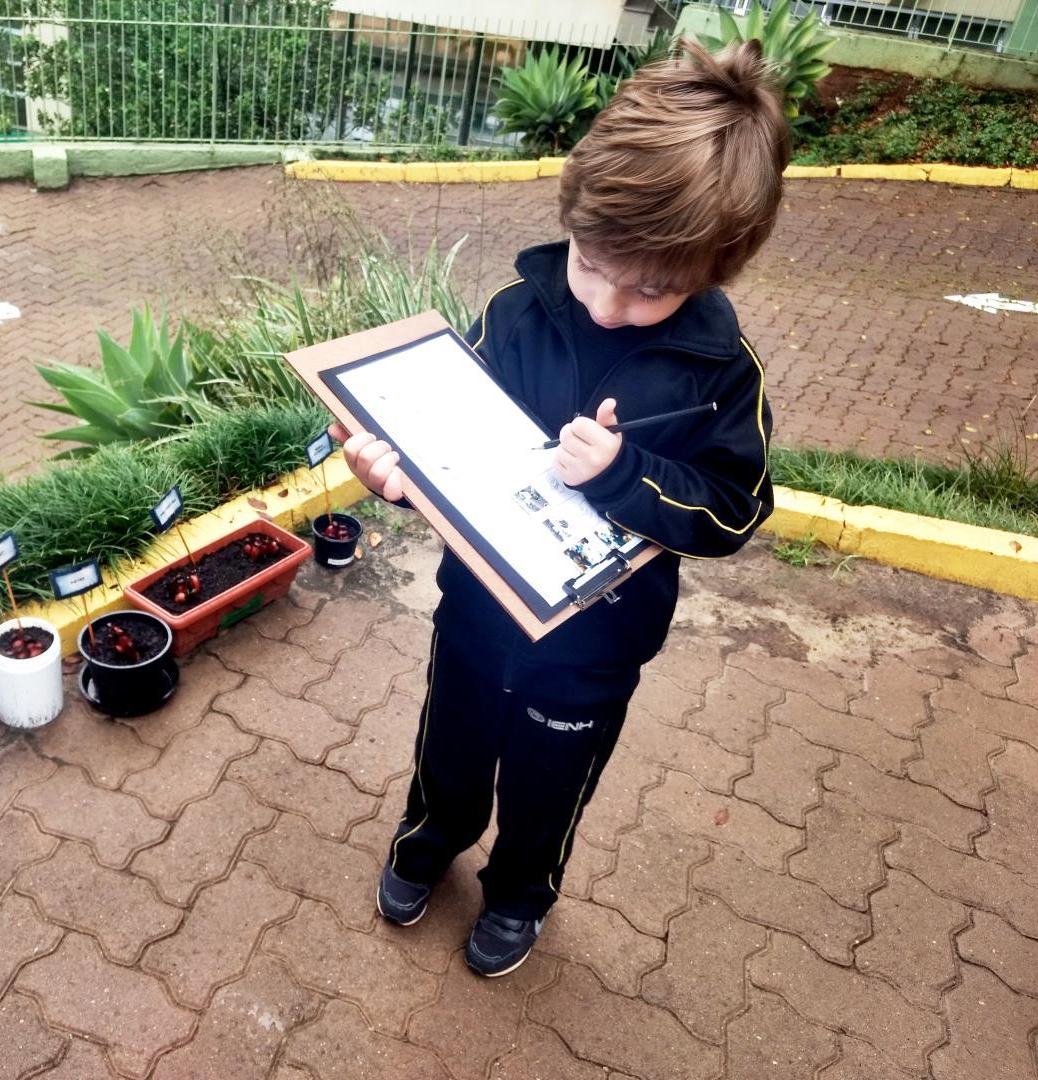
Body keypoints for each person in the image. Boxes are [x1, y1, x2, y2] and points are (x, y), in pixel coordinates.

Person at [330, 37, 787, 977]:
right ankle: (425, 844)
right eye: (589, 263)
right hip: (479, 611)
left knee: (550, 785)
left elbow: (734, 511)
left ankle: (519, 894)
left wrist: (623, 474)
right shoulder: (515, 311)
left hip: (596, 646)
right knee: (447, 749)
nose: (611, 303)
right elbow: (452, 443)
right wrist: (399, 473)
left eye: (652, 288)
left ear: (715, 266)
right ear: (572, 215)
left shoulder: (718, 378)